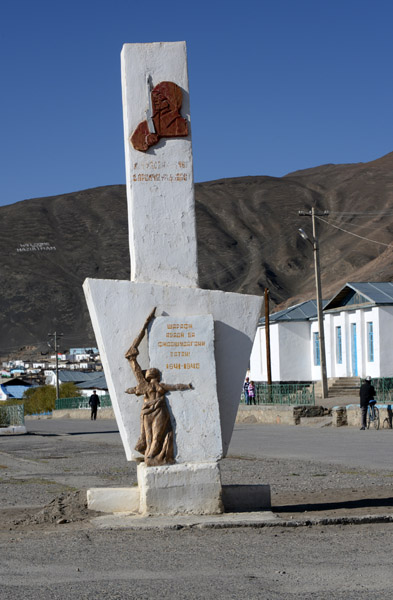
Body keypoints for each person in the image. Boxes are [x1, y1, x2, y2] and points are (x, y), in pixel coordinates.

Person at [125, 307, 192, 466]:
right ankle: (152, 457)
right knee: (156, 437)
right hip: (158, 410)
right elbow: (176, 386)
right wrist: (187, 386)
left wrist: (131, 389)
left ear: (148, 376)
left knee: (150, 437)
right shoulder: (159, 386)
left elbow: (132, 384)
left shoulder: (143, 386)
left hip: (147, 411)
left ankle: (150, 458)